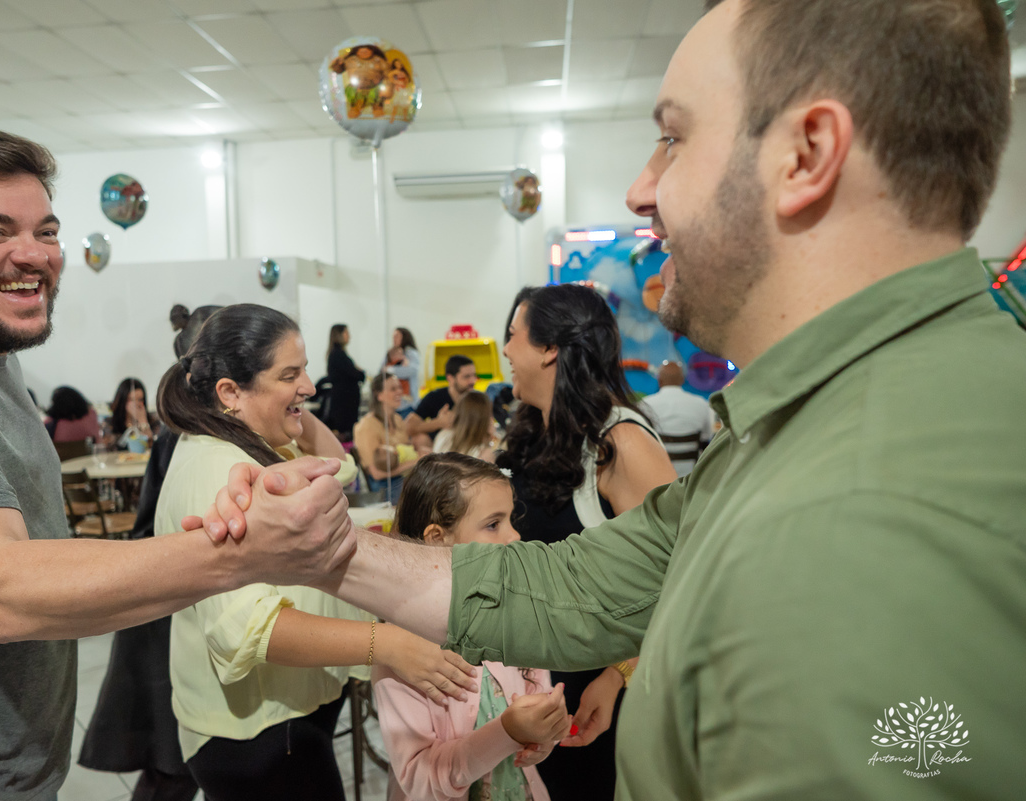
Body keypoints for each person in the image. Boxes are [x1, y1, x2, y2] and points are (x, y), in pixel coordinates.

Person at [201, 1, 1026, 797]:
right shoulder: (809, 423)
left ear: (807, 154)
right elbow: (576, 585)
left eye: (673, 139)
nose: (641, 190)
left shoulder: (879, 503)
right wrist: (322, 542)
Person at [0, 125, 363, 801]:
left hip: (4, 771)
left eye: (45, 231)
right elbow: (3, 589)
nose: (33, 255)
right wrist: (244, 551)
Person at [151, 304, 477, 801]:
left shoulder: (253, 439)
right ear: (230, 392)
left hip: (290, 715)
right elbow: (248, 629)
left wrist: (292, 411)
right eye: (289, 374)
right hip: (258, 733)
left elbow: (338, 467)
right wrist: (387, 644)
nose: (309, 384)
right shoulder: (218, 466)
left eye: (304, 368)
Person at [496, 283, 676, 801]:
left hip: (594, 699)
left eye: (514, 336)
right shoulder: (534, 431)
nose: (506, 350)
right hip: (535, 691)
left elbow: (677, 575)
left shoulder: (619, 441)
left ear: (550, 348)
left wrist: (617, 677)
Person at [77, 308, 226, 801]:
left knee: (180, 763)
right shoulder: (185, 435)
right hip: (167, 615)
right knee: (172, 764)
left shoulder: (193, 430)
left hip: (175, 609)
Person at [374, 453, 567, 801]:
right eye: (493, 524)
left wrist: (545, 734)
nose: (515, 536)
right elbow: (419, 779)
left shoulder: (518, 615)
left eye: (511, 519)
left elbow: (538, 696)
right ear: (437, 539)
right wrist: (506, 733)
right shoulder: (404, 650)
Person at [353, 371, 421, 502]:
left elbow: (408, 450)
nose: (399, 392)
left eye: (400, 387)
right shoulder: (367, 426)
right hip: (385, 486)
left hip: (404, 477)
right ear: (379, 395)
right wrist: (415, 462)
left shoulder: (397, 419)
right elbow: (376, 474)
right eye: (393, 389)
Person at [640, 362, 716, 477]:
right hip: (691, 479)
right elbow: (707, 439)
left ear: (660, 381)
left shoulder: (644, 405)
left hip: (657, 477)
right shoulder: (701, 403)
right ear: (682, 380)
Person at [407, 355, 478, 448]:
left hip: (470, 447)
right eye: (466, 377)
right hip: (441, 449)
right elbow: (409, 427)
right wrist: (439, 423)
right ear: (450, 378)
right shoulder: (435, 397)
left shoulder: (478, 399)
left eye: (474, 375)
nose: (472, 381)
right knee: (420, 439)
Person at [325, 323, 365, 440]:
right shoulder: (338, 355)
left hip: (346, 401)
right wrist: (360, 372)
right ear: (339, 335)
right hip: (344, 403)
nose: (350, 336)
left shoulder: (338, 354)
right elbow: (356, 374)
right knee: (344, 432)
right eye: (347, 333)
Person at [432, 391, 499, 462]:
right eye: (490, 414)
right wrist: (490, 438)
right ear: (484, 420)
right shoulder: (483, 453)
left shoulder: (443, 436)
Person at [109, 376, 158, 450]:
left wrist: (143, 421)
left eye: (140, 400)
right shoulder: (110, 423)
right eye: (131, 400)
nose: (136, 404)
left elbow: (153, 447)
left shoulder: (153, 422)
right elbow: (112, 448)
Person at [383, 326, 422, 412]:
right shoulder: (390, 353)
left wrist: (392, 370)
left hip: (408, 403)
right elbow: (382, 371)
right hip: (392, 403)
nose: (394, 339)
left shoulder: (410, 352)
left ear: (404, 337)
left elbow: (412, 370)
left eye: (397, 336)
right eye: (393, 336)